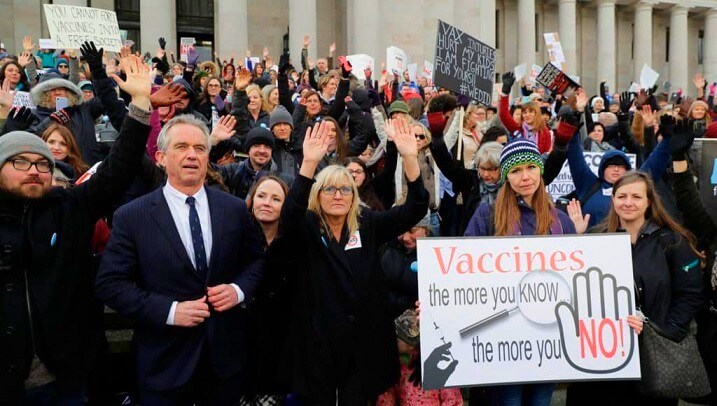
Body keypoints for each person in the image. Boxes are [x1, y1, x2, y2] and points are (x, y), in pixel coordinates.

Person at [0, 52, 153, 404]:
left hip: (62, 380)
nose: (35, 169)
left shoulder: (70, 207)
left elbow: (120, 166)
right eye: (20, 161)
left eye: (43, 163)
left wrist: (141, 101)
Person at [95, 113, 265, 405]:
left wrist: (238, 291)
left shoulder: (234, 209)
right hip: (163, 364)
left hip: (224, 363)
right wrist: (170, 311)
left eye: (200, 148)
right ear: (160, 157)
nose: (192, 155)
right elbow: (110, 283)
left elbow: (258, 261)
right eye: (181, 147)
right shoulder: (132, 216)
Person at [279, 116, 428, 404]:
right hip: (317, 346)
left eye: (345, 189)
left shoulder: (367, 224)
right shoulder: (307, 226)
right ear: (317, 195)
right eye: (330, 189)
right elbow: (288, 219)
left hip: (362, 347)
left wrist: (410, 158)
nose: (338, 195)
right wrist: (309, 164)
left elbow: (415, 207)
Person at [566, 171, 702, 405]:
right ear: (613, 200)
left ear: (649, 201)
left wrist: (663, 331)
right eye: (622, 196)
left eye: (636, 197)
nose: (628, 202)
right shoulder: (594, 238)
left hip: (652, 359)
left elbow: (689, 293)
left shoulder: (673, 241)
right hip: (602, 357)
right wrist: (577, 241)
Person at [464, 139, 577, 405]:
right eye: (515, 171)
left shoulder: (560, 219)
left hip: (548, 336)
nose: (525, 177)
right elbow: (464, 265)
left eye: (531, 168)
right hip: (505, 333)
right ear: (506, 176)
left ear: (540, 170)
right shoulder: (488, 212)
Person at [241, 175, 296, 404]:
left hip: (278, 356)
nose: (267, 202)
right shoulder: (235, 238)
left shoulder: (295, 244)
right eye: (261, 196)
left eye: (276, 198)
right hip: (238, 352)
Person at [499, 72, 552, 153]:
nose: (527, 115)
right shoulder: (518, 129)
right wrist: (505, 93)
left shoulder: (545, 132)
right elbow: (504, 115)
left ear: (537, 113)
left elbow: (546, 155)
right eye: (524, 112)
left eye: (531, 111)